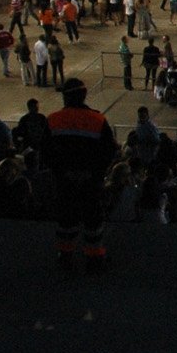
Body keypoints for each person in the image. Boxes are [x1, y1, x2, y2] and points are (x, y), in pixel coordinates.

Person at [46, 79, 117, 274]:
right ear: (84, 95)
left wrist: (64, 172)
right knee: (92, 219)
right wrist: (91, 172)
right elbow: (109, 151)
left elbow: (45, 152)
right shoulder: (97, 120)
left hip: (64, 182)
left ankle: (65, 257)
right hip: (90, 181)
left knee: (66, 219)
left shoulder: (53, 120)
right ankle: (94, 259)